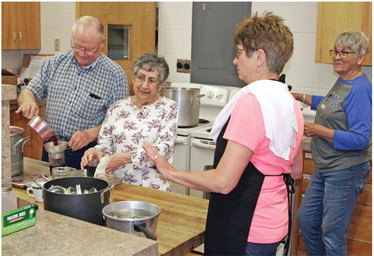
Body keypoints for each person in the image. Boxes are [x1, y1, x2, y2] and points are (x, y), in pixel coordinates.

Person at [143, 12, 304, 256]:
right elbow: (296, 170)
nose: (235, 61)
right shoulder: (288, 101)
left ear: (259, 57)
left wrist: (170, 172)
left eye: (239, 53)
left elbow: (223, 182)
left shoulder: (253, 102)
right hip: (272, 223)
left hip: (246, 226)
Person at [293, 31, 371, 256]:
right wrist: (302, 97)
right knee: (306, 220)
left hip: (346, 170)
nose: (337, 57)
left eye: (345, 52)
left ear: (360, 57)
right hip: (326, 167)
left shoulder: (359, 89)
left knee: (332, 231)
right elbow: (331, 105)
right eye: (336, 51)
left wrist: (319, 130)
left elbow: (360, 139)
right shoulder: (342, 81)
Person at [16, 16, 128, 170]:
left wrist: (90, 134)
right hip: (51, 148)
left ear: (102, 43)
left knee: (82, 193)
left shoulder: (114, 75)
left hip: (88, 154)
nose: (82, 53)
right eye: (77, 46)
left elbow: (120, 122)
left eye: (89, 49)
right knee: (51, 191)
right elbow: (27, 91)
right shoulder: (55, 63)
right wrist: (28, 100)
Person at [81, 53, 178, 191]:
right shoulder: (117, 107)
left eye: (151, 80)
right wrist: (95, 151)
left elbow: (163, 150)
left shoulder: (168, 108)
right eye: (140, 78)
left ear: (160, 85)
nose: (144, 85)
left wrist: (126, 158)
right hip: (119, 185)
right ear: (133, 78)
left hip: (154, 188)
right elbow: (105, 146)